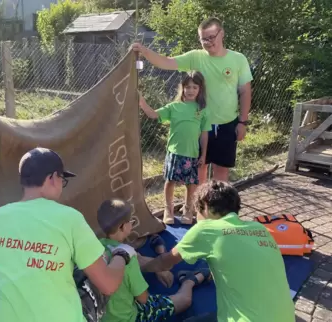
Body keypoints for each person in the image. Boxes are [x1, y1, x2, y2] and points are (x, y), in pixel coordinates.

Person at [0, 147, 137, 321]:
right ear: (52, 178)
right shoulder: (70, 219)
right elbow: (108, 285)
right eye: (62, 179)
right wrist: (122, 254)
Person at [140, 180, 295, 322]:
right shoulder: (260, 229)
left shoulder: (206, 229)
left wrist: (139, 264)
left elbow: (164, 263)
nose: (196, 218)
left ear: (205, 207)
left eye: (196, 212)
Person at [132, 17, 253, 183]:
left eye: (212, 37)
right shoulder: (195, 57)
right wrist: (144, 51)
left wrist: (242, 122)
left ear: (222, 33)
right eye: (204, 38)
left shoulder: (238, 59)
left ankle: (217, 205)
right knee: (199, 167)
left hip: (227, 123)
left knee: (222, 171)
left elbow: (245, 91)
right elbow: (166, 62)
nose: (209, 42)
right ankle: (199, 205)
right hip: (200, 123)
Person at [97, 198, 211, 322]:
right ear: (122, 227)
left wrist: (158, 269)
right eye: (130, 221)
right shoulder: (128, 259)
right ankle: (189, 281)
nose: (132, 223)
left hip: (101, 315)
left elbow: (137, 257)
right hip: (130, 316)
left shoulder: (95, 248)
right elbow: (143, 298)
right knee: (184, 301)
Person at [139, 71, 211, 225]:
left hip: (192, 153)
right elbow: (153, 114)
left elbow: (204, 135)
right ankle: (168, 209)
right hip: (175, 153)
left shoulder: (202, 110)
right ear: (182, 88)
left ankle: (187, 209)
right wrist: (141, 102)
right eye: (187, 87)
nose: (191, 90)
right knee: (170, 181)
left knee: (191, 184)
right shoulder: (174, 107)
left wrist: (203, 154)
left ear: (200, 89)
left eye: (194, 87)